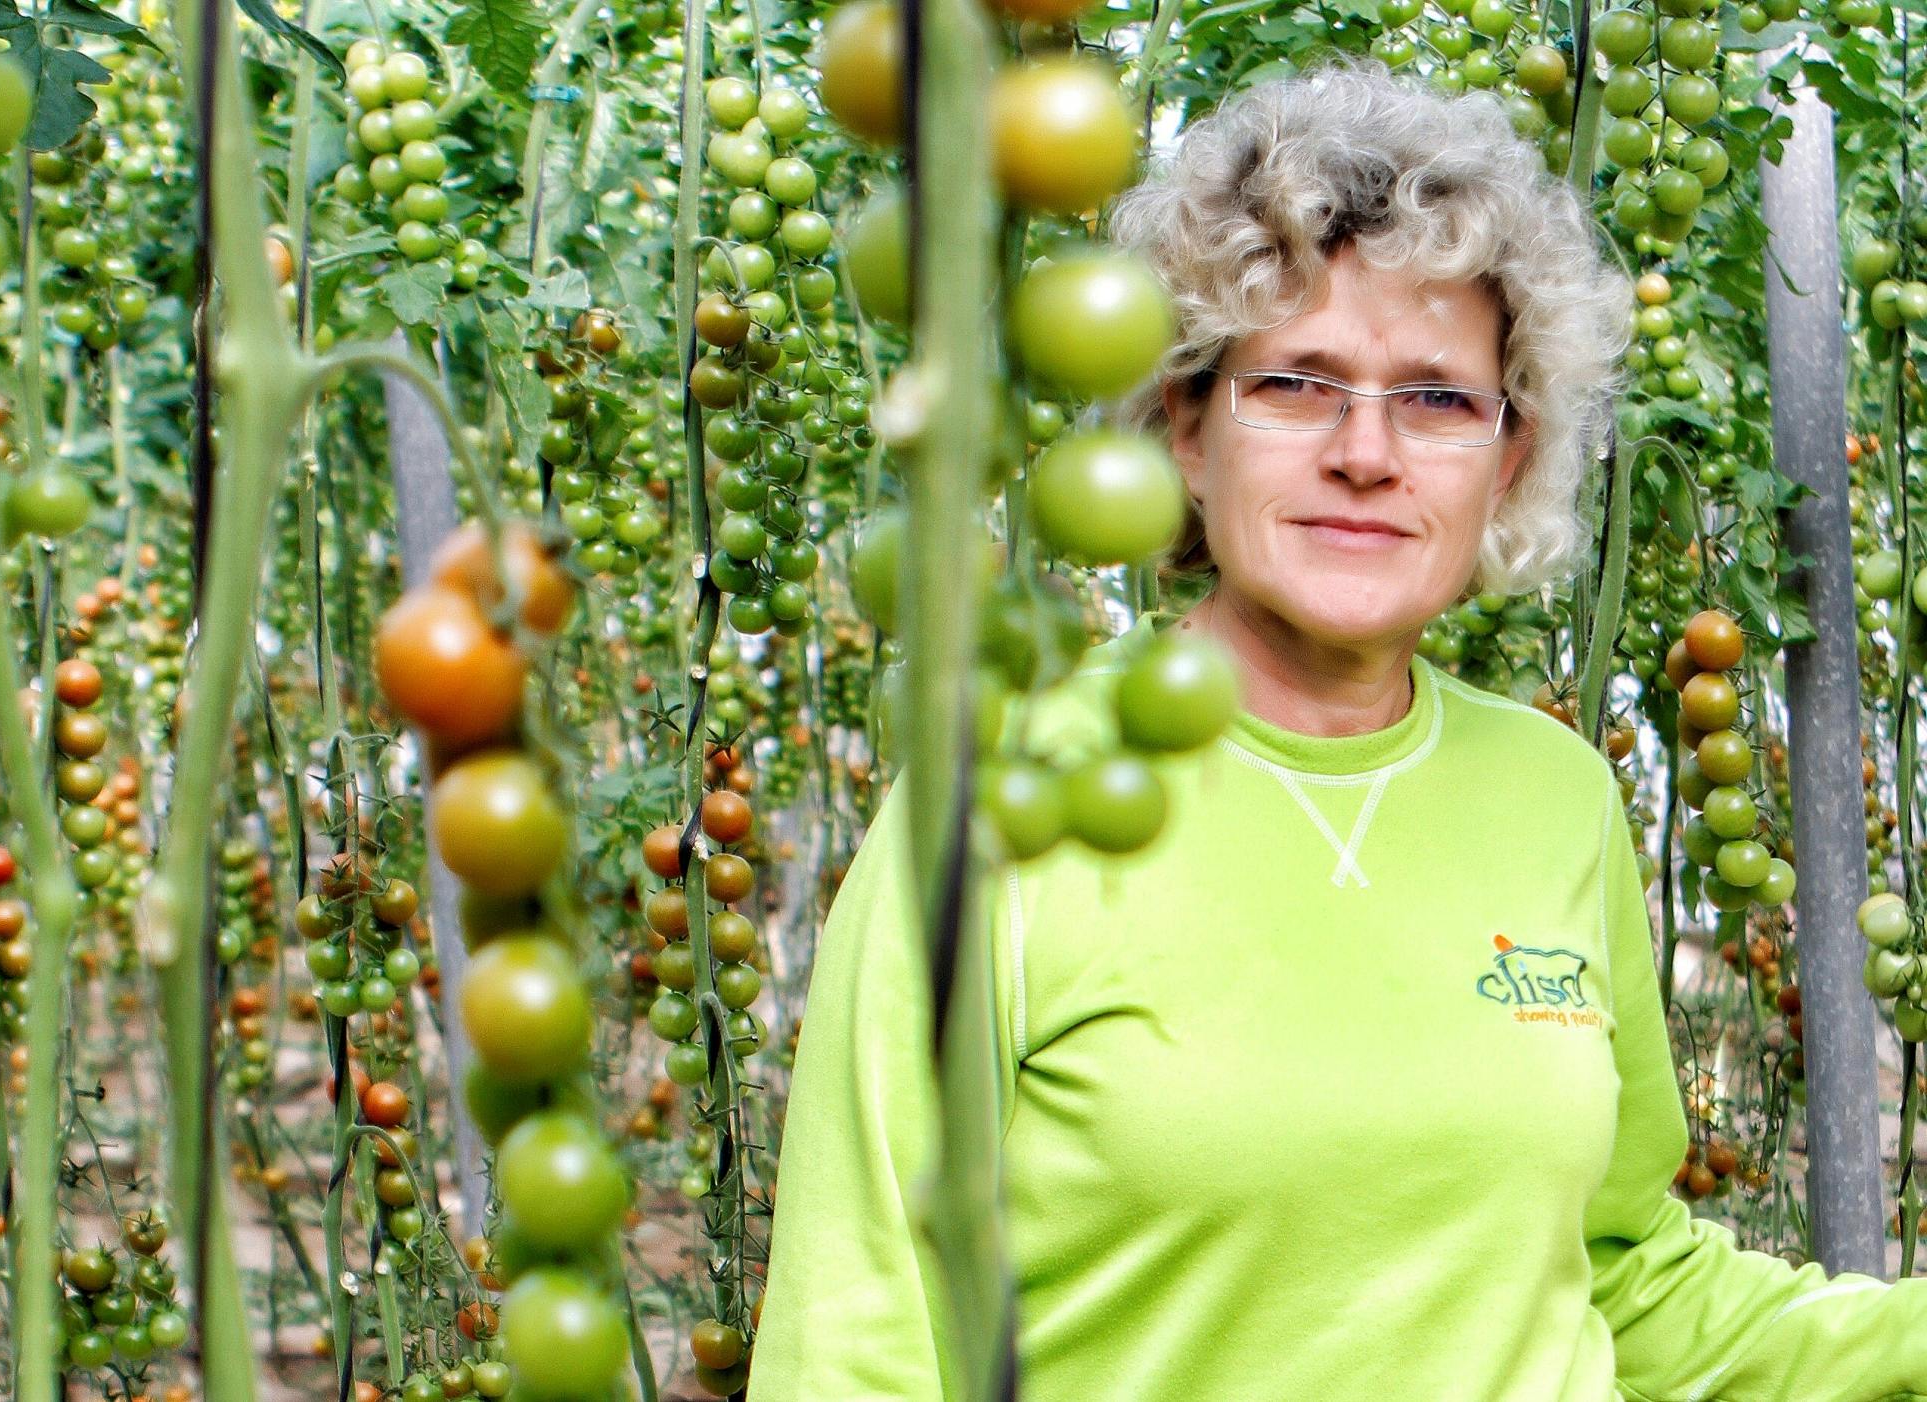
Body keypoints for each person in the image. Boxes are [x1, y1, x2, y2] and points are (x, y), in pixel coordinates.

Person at [747, 57, 1927, 1400]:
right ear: (1184, 429)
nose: (1367, 452)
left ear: (1510, 456)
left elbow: (1621, 1273)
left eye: (1436, 397)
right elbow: (855, 1337)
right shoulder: (1004, 803)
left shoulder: (1554, 794)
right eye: (1297, 383)